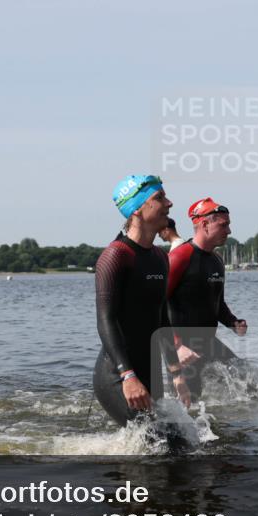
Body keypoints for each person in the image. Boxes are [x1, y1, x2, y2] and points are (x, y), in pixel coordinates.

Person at [94, 174, 190, 429]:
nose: (169, 203)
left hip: (148, 374)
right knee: (161, 446)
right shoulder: (115, 256)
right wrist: (128, 376)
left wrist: (177, 374)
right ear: (136, 209)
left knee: (179, 445)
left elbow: (161, 319)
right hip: (118, 376)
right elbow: (106, 320)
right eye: (159, 197)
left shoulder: (159, 257)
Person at [167, 197, 247, 400]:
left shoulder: (217, 260)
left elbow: (217, 302)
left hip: (208, 342)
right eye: (223, 225)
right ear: (204, 224)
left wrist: (232, 322)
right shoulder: (180, 256)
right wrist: (176, 345)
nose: (229, 231)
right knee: (187, 405)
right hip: (182, 345)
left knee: (248, 381)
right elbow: (155, 304)